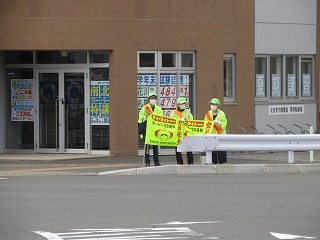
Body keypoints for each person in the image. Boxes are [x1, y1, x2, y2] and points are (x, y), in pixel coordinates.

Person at [138, 92, 163, 167]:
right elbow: (140, 119)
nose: (153, 100)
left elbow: (161, 118)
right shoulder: (145, 108)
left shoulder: (158, 109)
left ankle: (156, 162)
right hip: (147, 130)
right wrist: (146, 115)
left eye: (154, 98)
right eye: (152, 98)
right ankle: (147, 162)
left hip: (155, 130)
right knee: (147, 147)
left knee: (155, 147)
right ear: (149, 99)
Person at [170, 97, 194, 165]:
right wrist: (179, 121)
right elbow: (172, 123)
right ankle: (179, 162)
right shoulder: (174, 113)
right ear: (178, 104)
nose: (183, 105)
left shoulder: (187, 112)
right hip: (177, 133)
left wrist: (188, 117)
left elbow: (191, 122)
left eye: (184, 103)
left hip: (186, 133)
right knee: (178, 149)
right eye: (181, 104)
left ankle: (190, 162)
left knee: (189, 148)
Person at [204, 98, 228, 164]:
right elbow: (205, 125)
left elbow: (224, 125)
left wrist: (219, 123)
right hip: (211, 136)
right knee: (212, 154)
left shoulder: (222, 114)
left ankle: (222, 166)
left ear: (217, 105)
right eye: (211, 104)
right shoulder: (208, 114)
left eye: (214, 104)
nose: (212, 105)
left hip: (220, 136)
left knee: (221, 153)